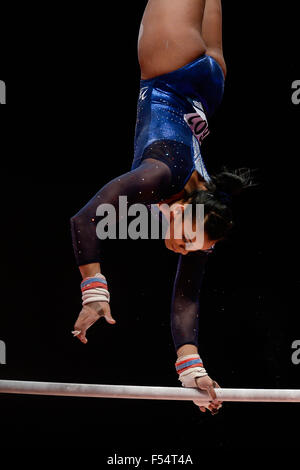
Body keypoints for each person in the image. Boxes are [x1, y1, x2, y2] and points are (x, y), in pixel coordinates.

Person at [70, 0, 254, 415]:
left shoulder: (204, 215)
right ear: (187, 210)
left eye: (193, 248)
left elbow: (186, 301)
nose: (185, 250)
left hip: (210, 86)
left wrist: (193, 372)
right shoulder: (160, 173)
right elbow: (84, 219)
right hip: (171, 63)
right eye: (190, 241)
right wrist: (94, 292)